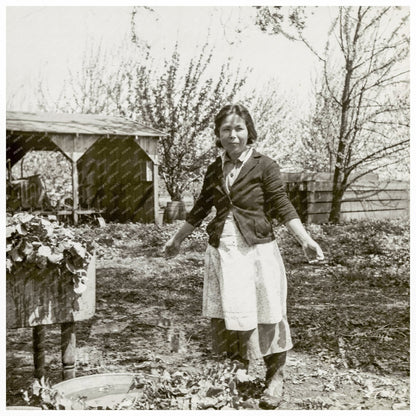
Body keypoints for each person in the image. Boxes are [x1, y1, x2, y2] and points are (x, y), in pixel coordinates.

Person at [164, 103, 324, 409]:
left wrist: (305, 240)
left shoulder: (265, 165)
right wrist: (176, 240)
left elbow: (282, 204)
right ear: (218, 134)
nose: (233, 135)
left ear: (249, 131)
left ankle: (275, 376)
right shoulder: (214, 169)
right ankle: (236, 369)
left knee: (268, 312)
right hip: (222, 250)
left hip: (257, 250)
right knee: (228, 313)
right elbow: (200, 209)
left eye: (239, 128)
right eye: (226, 129)